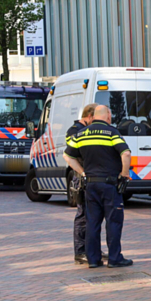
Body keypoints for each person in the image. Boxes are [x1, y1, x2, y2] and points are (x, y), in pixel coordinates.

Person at [63, 105, 133, 269]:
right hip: (109, 184)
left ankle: (93, 260)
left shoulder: (81, 133)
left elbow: (67, 156)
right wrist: (124, 174)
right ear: (108, 116)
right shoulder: (111, 132)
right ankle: (115, 258)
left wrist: (82, 172)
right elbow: (126, 153)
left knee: (92, 222)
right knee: (113, 221)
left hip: (91, 184)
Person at [67, 104, 97, 265]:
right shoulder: (74, 131)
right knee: (83, 216)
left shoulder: (83, 130)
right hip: (81, 177)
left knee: (93, 216)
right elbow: (75, 154)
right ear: (90, 116)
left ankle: (92, 249)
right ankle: (80, 251)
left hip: (90, 177)